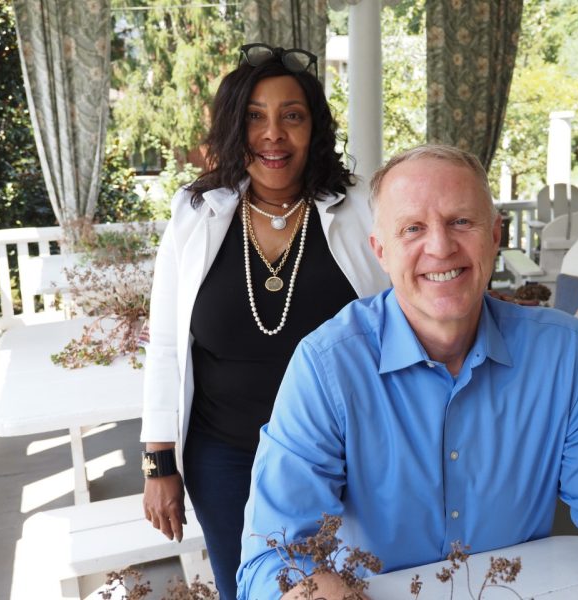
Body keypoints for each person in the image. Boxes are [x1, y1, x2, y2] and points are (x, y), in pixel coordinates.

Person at [237, 144, 578, 600]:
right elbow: (274, 559)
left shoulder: (562, 352)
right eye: (413, 228)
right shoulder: (327, 366)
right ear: (380, 251)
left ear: (495, 236)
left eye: (461, 221)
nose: (441, 247)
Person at [139, 43, 390, 600]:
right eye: (255, 116)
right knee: (250, 589)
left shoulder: (363, 208)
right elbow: (165, 344)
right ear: (234, 127)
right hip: (223, 454)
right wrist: (159, 465)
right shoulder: (196, 211)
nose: (273, 134)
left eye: (291, 116)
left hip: (348, 452)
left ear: (314, 128)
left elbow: (406, 315)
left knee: (356, 585)